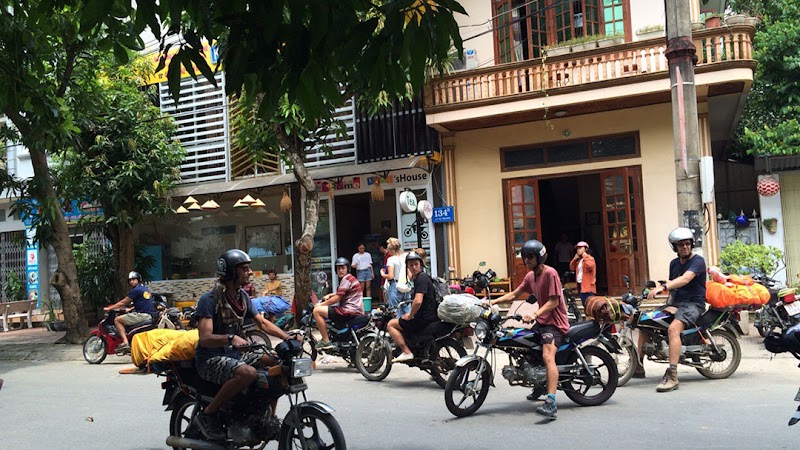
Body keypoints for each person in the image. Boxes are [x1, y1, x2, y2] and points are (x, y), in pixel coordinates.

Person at [192, 249, 293, 441]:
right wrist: (230, 339)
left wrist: (287, 337)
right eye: (244, 269)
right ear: (231, 273)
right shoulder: (209, 300)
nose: (249, 272)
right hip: (210, 358)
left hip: (236, 355)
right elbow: (205, 337)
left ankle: (268, 419)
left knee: (279, 363)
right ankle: (208, 414)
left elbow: (262, 323)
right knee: (248, 373)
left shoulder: (242, 298)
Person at [487, 240, 569, 420]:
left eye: (530, 257)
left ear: (539, 257)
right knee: (526, 347)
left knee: (548, 356)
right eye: (524, 257)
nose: (526, 260)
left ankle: (551, 402)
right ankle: (540, 383)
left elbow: (554, 301)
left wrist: (535, 313)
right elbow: (514, 294)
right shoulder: (530, 277)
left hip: (555, 323)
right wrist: (492, 301)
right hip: (542, 320)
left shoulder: (551, 273)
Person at [634, 227, 706, 393]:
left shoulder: (698, 261)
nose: (685, 247)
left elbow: (685, 279)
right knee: (645, 322)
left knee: (673, 329)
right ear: (675, 247)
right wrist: (659, 292)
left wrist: (664, 286)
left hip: (694, 304)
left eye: (687, 244)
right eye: (681, 245)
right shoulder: (674, 263)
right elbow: (674, 286)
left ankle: (673, 375)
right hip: (677, 303)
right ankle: (637, 366)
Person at [387, 251, 440, 363]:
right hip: (430, 316)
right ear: (407, 267)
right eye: (411, 265)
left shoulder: (421, 279)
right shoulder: (422, 278)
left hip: (423, 318)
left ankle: (406, 352)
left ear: (421, 264)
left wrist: (410, 315)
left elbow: (418, 301)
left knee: (391, 324)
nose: (414, 267)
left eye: (416, 264)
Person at [313, 257, 365, 351]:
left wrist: (321, 304)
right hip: (354, 310)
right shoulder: (350, 278)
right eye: (338, 268)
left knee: (317, 311)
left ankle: (325, 341)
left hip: (349, 311)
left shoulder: (346, 279)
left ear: (347, 268)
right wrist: (330, 295)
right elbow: (343, 293)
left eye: (343, 268)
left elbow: (337, 299)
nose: (340, 270)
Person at [103, 271, 155, 351]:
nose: (131, 281)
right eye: (130, 280)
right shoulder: (145, 289)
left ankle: (125, 342)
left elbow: (123, 302)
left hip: (141, 315)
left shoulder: (136, 290)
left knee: (117, 320)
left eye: (134, 279)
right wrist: (130, 309)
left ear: (138, 280)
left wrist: (109, 308)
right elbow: (142, 302)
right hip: (148, 315)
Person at [381, 238, 409, 313]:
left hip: (395, 286)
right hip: (405, 285)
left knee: (395, 312)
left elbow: (390, 276)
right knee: (407, 310)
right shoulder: (405, 257)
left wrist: (383, 274)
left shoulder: (391, 259)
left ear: (390, 249)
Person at [570, 241, 596, 307]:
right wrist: (574, 259)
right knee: (584, 303)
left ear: (586, 249)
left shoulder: (590, 258)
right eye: (577, 248)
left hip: (588, 285)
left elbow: (590, 266)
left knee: (589, 304)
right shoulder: (579, 260)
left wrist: (585, 256)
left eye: (580, 248)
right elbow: (571, 268)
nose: (578, 250)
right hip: (580, 283)